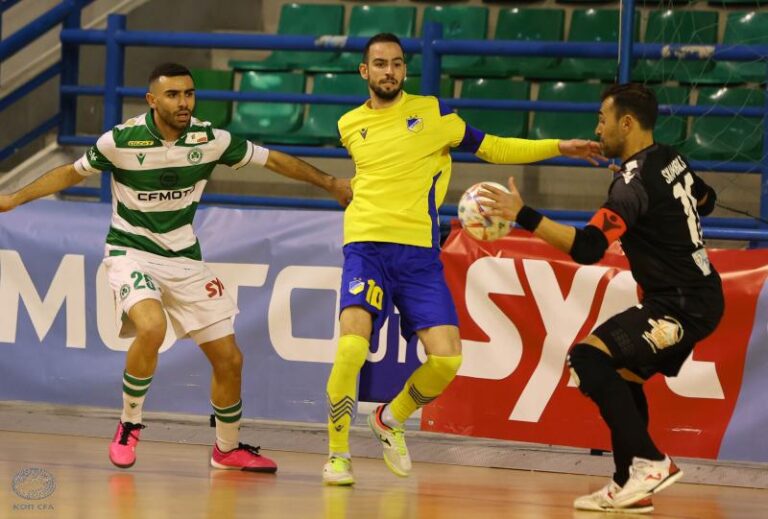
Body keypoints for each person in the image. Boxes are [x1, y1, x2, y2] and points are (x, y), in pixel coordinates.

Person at [0, 62, 352, 473]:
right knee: (152, 327)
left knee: (230, 360)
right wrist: (13, 198)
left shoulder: (209, 140)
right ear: (152, 100)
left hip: (184, 259)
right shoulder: (121, 141)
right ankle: (129, 424)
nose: (183, 102)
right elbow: (69, 172)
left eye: (188, 93)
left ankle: (227, 449)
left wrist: (330, 183)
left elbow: (272, 160)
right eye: (173, 95)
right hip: (130, 252)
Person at [322, 33, 605, 486]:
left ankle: (389, 419)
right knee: (352, 347)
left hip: (419, 255)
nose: (388, 71)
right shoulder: (348, 124)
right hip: (366, 247)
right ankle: (338, 456)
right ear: (364, 71)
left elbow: (495, 146)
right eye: (379, 64)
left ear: (404, 71)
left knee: (447, 361)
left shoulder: (434, 114)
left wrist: (558, 147)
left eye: (396, 63)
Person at [481, 83, 723, 514]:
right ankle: (629, 485)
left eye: (602, 118)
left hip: (683, 304)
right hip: (692, 296)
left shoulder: (631, 184)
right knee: (625, 377)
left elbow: (589, 249)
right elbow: (707, 200)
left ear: (626, 123)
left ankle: (651, 462)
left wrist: (523, 215)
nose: (597, 127)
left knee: (588, 359)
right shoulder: (670, 158)